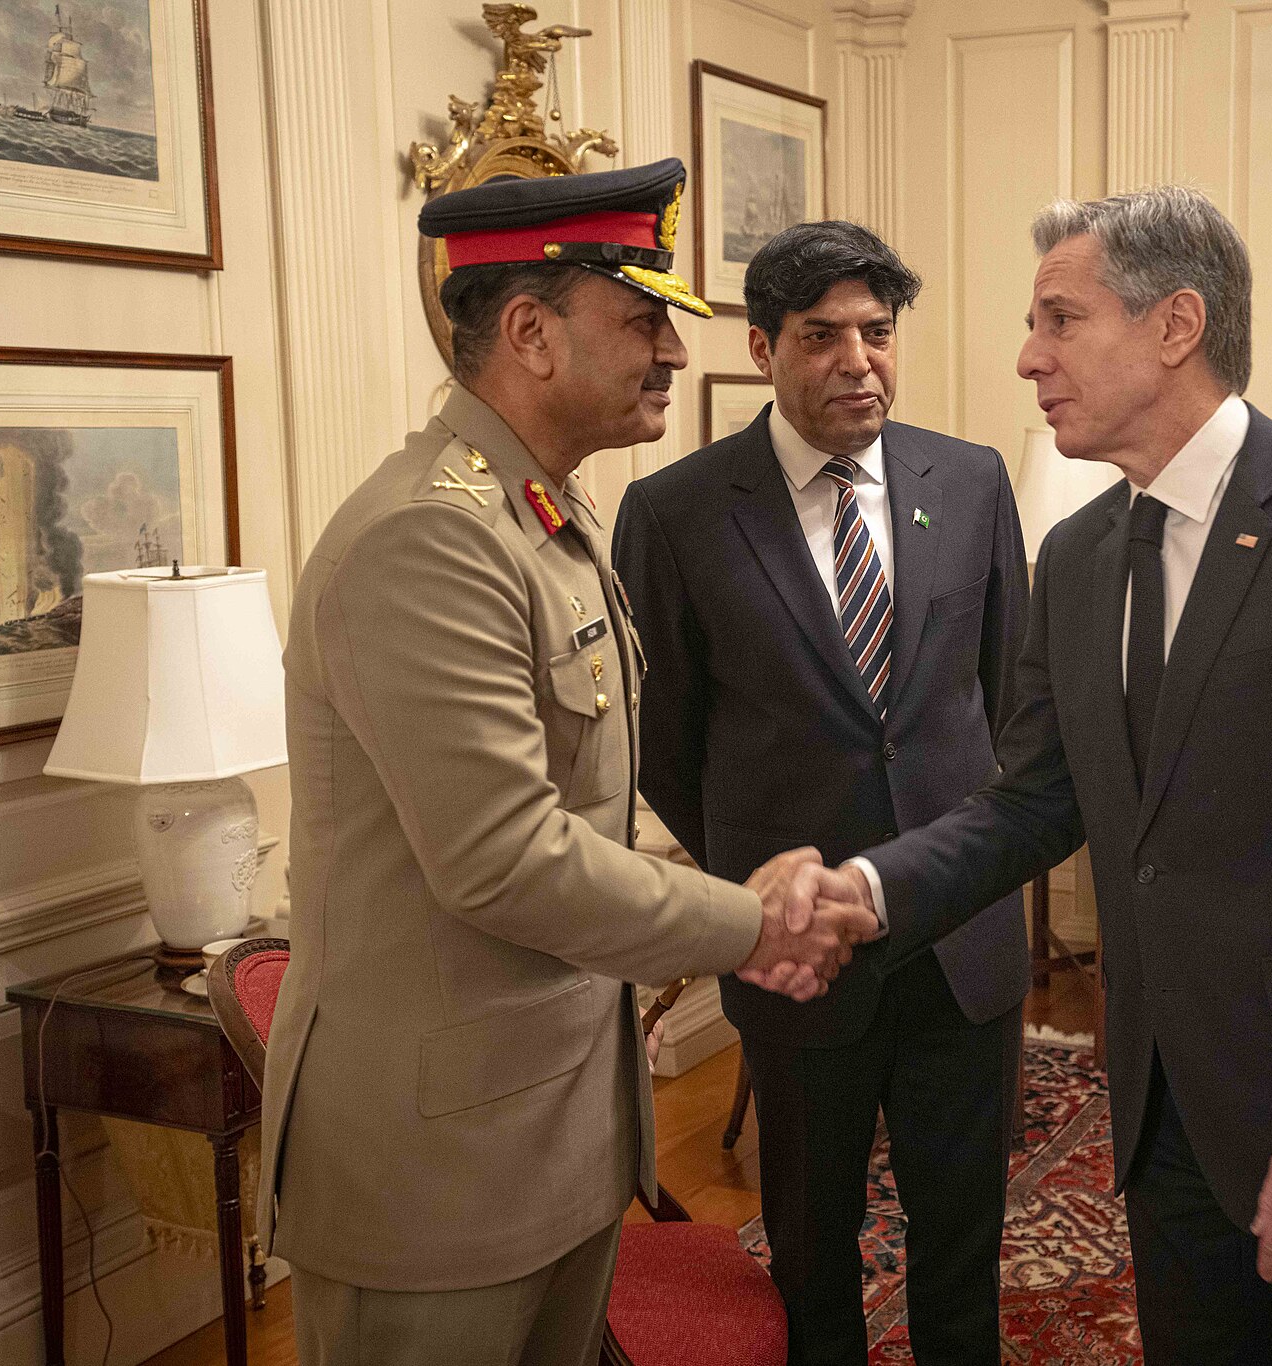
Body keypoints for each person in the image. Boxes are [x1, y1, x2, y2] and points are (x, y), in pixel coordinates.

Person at [793, 185, 1272, 1364]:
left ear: (1176, 326)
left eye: (1060, 320)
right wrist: (869, 889)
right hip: (1165, 1115)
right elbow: (1034, 797)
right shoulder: (1075, 556)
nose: (1028, 358)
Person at [257, 159, 877, 1366]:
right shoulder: (431, 540)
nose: (674, 354)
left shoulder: (544, 514)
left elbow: (583, 808)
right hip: (439, 1173)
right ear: (531, 333)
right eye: (643, 320)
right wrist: (749, 922)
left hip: (550, 1130)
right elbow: (504, 859)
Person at [613, 220, 1030, 1366]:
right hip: (797, 951)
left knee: (963, 1237)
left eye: (877, 333)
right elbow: (666, 744)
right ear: (761, 348)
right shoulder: (678, 513)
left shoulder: (974, 479)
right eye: (822, 335)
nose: (858, 360)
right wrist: (766, 884)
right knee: (812, 1242)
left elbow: (1011, 702)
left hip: (961, 935)